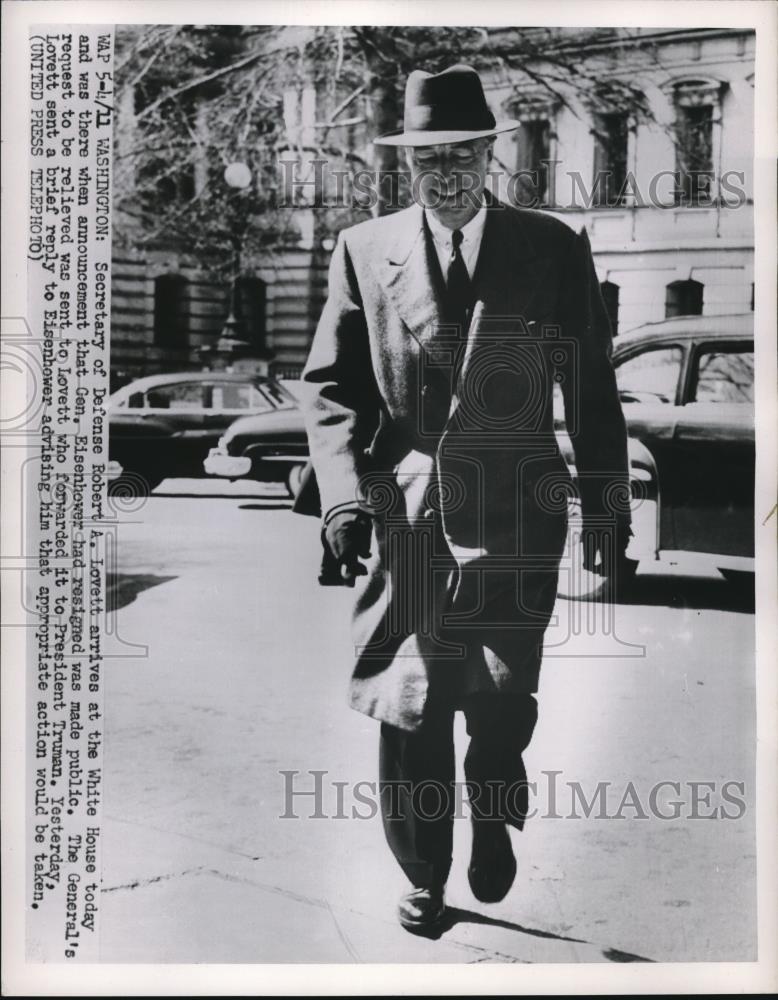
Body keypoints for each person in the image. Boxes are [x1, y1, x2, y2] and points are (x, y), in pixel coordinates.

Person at [299, 64, 632, 932]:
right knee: (409, 703)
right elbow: (331, 388)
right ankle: (423, 870)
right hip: (406, 513)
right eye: (426, 160)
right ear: (407, 165)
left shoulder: (551, 247)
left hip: (517, 509)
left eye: (460, 155)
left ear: (490, 155)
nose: (443, 175)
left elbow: (591, 386)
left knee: (497, 700)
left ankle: (492, 811)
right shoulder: (363, 249)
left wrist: (606, 506)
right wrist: (342, 500)